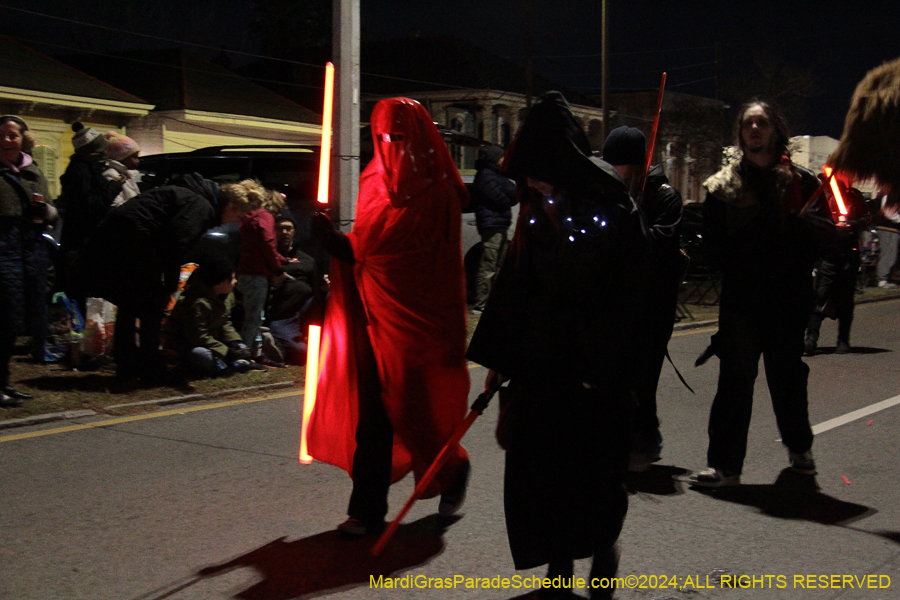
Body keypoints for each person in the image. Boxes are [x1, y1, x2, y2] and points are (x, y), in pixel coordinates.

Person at [466, 92, 649, 600]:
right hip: (540, 362)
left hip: (592, 368)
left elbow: (631, 295)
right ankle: (559, 562)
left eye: (539, 170)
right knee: (541, 471)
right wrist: (500, 361)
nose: (531, 182)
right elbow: (515, 283)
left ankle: (602, 545)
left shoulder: (610, 203)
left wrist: (605, 362)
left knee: (593, 470)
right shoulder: (535, 207)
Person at [308, 97, 471, 538]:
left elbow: (414, 259)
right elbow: (368, 245)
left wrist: (344, 247)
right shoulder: (375, 182)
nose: (389, 145)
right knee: (374, 418)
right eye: (381, 137)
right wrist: (337, 243)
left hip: (423, 324)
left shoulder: (438, 191)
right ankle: (366, 510)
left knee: (420, 415)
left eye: (398, 137)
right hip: (374, 316)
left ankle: (451, 468)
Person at [686, 99, 834, 487]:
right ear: (740, 133)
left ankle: (800, 448)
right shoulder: (723, 187)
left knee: (786, 378)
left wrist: (803, 233)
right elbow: (712, 247)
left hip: (788, 298)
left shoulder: (802, 183)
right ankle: (724, 466)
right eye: (748, 124)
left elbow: (827, 237)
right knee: (734, 381)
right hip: (742, 300)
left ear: (774, 130)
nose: (755, 129)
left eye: (762, 123)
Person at [81, 174, 222, 382]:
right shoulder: (200, 205)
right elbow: (176, 245)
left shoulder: (180, 193)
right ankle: (149, 367)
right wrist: (170, 285)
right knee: (150, 308)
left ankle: (128, 365)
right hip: (138, 244)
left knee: (130, 307)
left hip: (123, 241)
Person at [602, 125, 686, 472]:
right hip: (618, 302)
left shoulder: (664, 197)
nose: (611, 172)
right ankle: (630, 439)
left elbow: (657, 248)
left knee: (643, 375)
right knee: (618, 376)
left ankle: (644, 441)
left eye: (617, 164)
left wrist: (629, 219)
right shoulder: (610, 193)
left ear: (635, 164)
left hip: (653, 303)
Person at [0, 115, 58, 406]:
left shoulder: (32, 169)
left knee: (22, 316)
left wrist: (45, 211)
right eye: (3, 135)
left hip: (32, 245)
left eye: (13, 135)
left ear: (23, 138)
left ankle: (6, 382)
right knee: (5, 318)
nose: (8, 139)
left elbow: (51, 206)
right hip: (4, 245)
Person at [58, 122, 122, 312]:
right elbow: (92, 206)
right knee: (84, 294)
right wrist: (113, 187)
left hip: (80, 243)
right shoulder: (82, 173)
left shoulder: (82, 170)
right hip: (82, 245)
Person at [804, 179, 871, 355]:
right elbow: (810, 218)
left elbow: (866, 217)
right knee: (820, 295)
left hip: (849, 252)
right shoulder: (820, 196)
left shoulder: (853, 195)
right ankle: (811, 338)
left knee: (846, 298)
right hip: (827, 252)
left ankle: (843, 340)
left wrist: (852, 225)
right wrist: (829, 228)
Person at [163, 255, 252, 375]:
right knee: (202, 355)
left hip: (211, 340)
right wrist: (226, 351)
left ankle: (230, 363)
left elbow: (225, 321)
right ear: (218, 283)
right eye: (231, 279)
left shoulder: (227, 296)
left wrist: (234, 341)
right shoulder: (195, 303)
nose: (235, 281)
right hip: (187, 343)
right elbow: (198, 336)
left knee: (240, 346)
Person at [234, 183, 288, 356]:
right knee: (254, 316)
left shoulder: (247, 218)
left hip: (242, 270)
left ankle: (257, 353)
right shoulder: (265, 217)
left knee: (251, 314)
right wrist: (278, 268)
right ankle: (245, 353)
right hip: (256, 272)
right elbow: (267, 243)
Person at [265, 210, 321, 365]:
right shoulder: (267, 258)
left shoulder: (307, 260)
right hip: (283, 315)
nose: (285, 232)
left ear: (294, 231)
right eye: (280, 228)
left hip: (305, 310)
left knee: (330, 298)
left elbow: (317, 286)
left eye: (288, 228)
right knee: (302, 353)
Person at [470, 145, 517, 313]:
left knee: (498, 264)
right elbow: (502, 198)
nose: (505, 159)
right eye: (502, 156)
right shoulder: (486, 175)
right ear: (495, 158)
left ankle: (493, 300)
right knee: (488, 265)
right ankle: (481, 304)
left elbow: (513, 192)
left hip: (499, 223)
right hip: (492, 224)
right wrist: (510, 196)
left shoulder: (495, 174)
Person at [101, 131, 141, 207]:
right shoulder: (111, 175)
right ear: (122, 157)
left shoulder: (127, 174)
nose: (138, 161)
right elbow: (117, 206)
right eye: (134, 157)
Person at [874, 191, 899, 289]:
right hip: (889, 227)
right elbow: (889, 213)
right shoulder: (891, 192)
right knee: (888, 253)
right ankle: (882, 279)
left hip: (888, 227)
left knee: (889, 253)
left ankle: (885, 277)